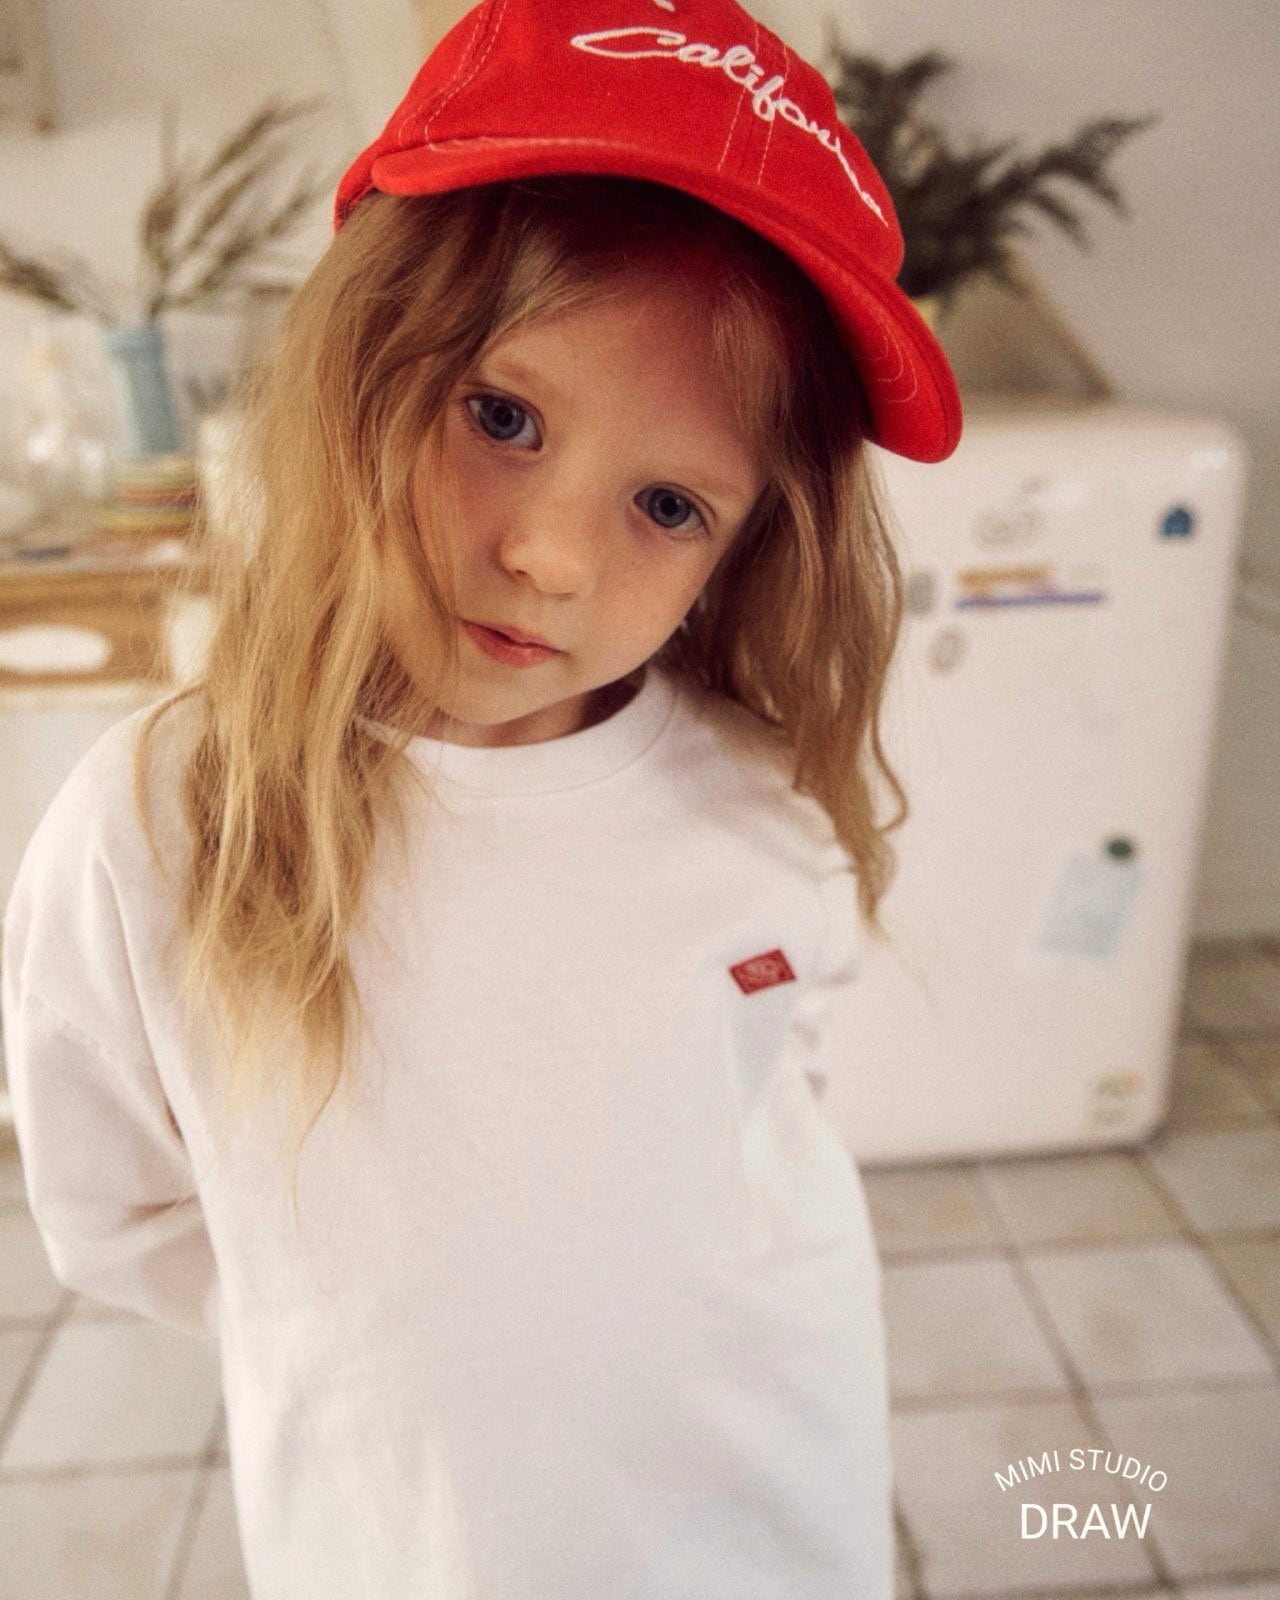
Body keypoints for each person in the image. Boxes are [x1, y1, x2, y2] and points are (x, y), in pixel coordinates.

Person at [1, 2, 961, 1596]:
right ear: (357, 369)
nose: (554, 556)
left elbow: (769, 1090)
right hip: (416, 1543)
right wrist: (380, 1334)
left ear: (745, 548)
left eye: (669, 504)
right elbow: (116, 1211)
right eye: (502, 417)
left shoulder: (753, 795)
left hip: (775, 1494)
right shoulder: (159, 828)